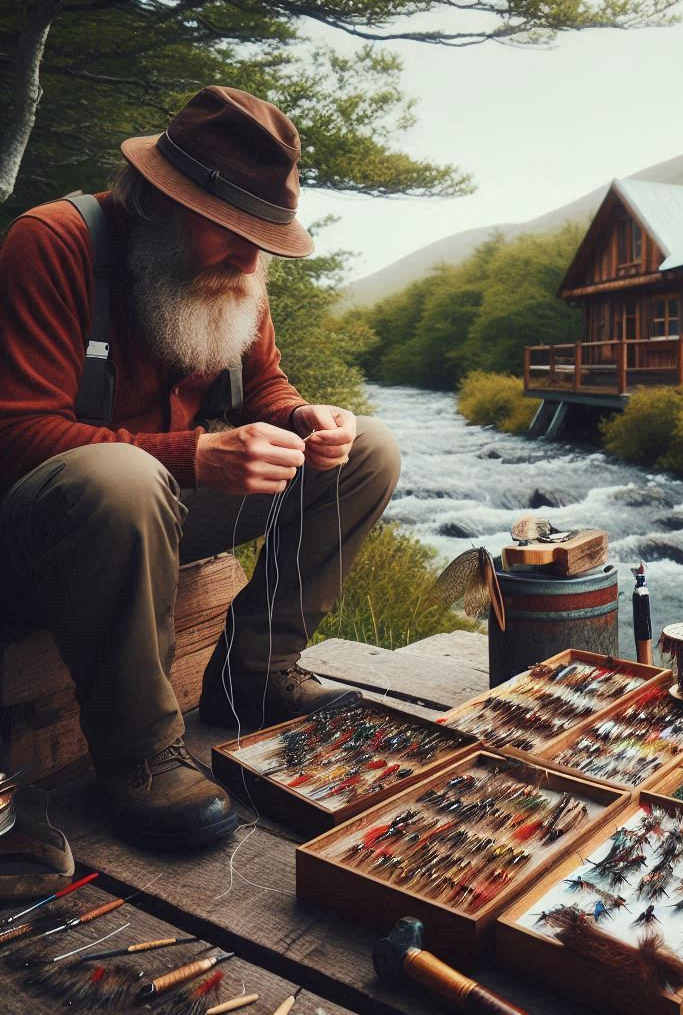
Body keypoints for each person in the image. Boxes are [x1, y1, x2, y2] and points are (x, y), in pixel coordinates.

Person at [0, 86, 401, 849]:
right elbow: (13, 434)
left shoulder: (237, 267)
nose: (253, 259)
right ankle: (141, 755)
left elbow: (266, 385)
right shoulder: (52, 242)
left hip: (161, 510)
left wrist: (301, 419)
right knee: (121, 476)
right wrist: (195, 454)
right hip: (43, 535)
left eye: (265, 236)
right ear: (158, 200)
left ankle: (254, 673)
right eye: (233, 232)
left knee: (371, 448)